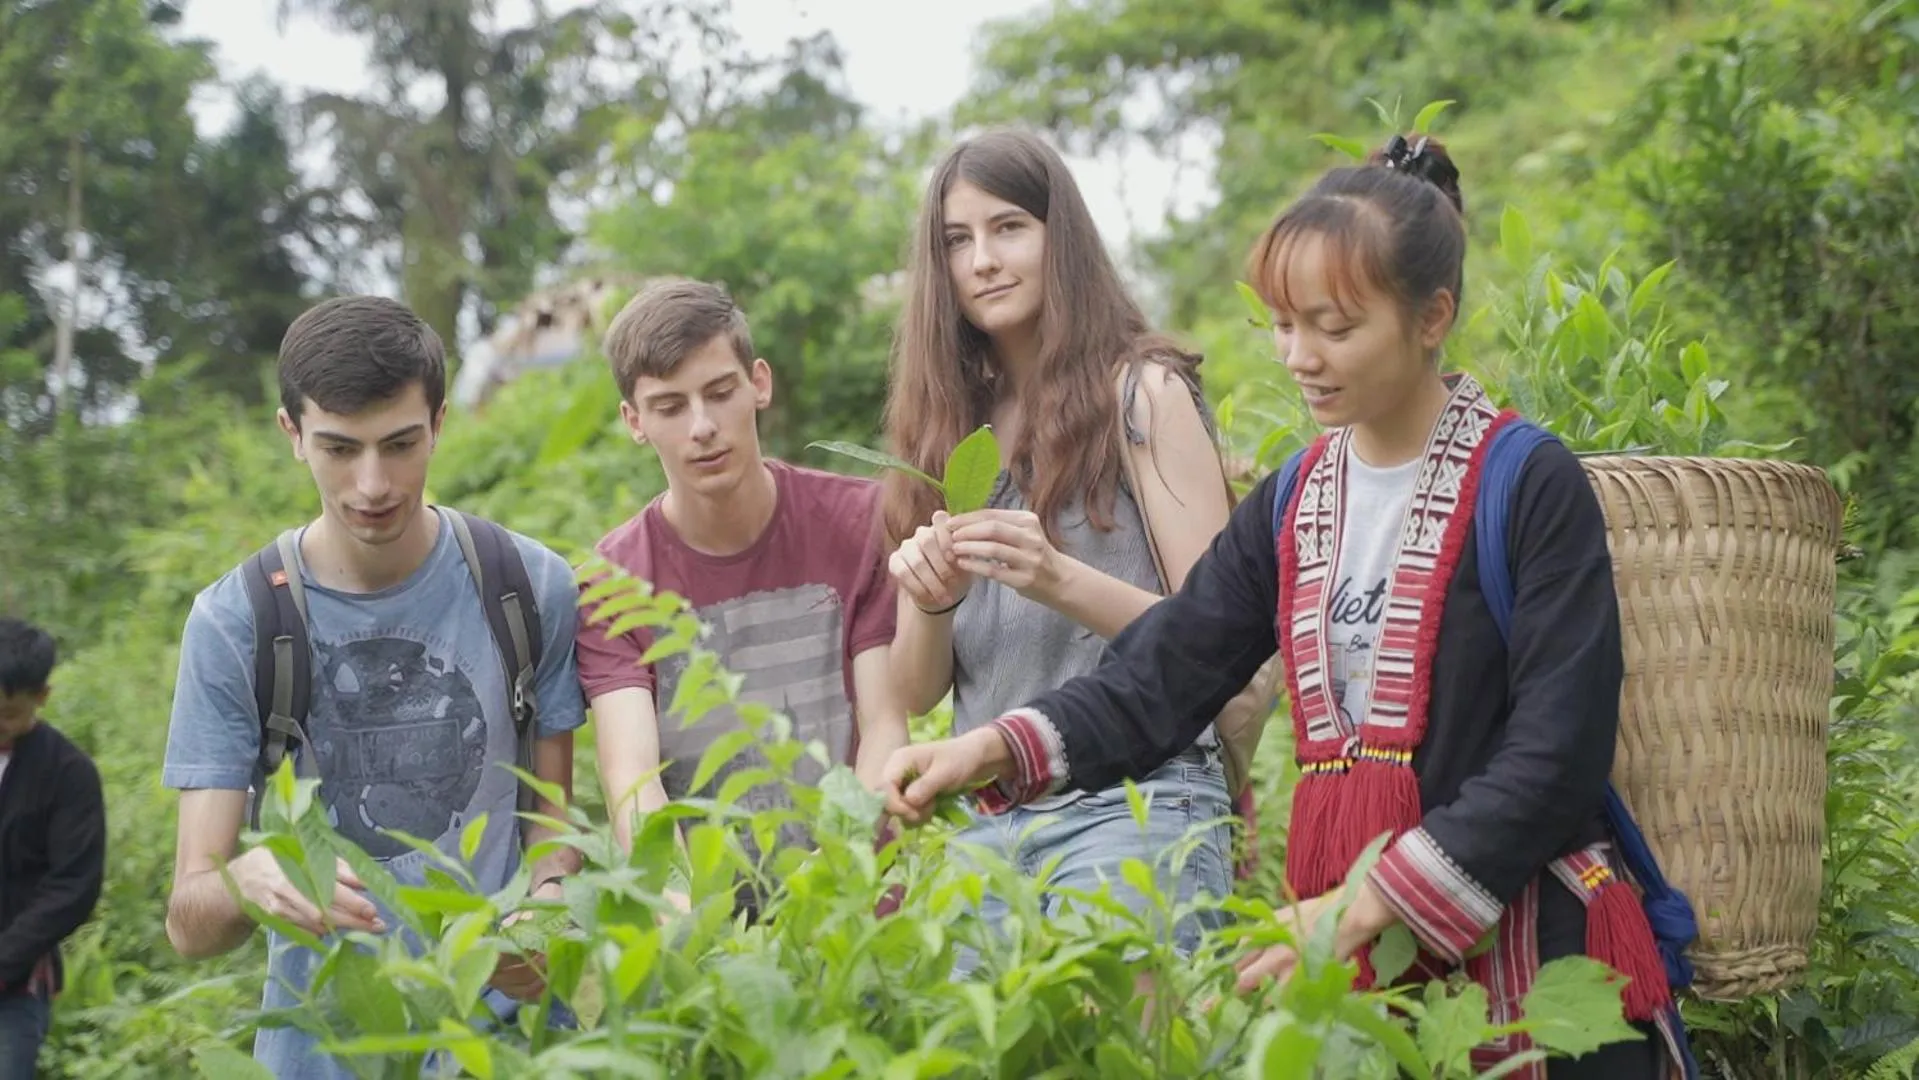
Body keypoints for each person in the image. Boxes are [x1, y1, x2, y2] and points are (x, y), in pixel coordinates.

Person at [879, 136, 1682, 1077]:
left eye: (1334, 327)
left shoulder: (1526, 482)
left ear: (1432, 318)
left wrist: (1359, 904)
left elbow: (1557, 751)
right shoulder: (1297, 497)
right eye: (1281, 325)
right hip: (1353, 954)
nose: (1299, 358)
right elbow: (1168, 672)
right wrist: (987, 748)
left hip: (1528, 954)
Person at [161, 296, 590, 1078]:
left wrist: (550, 908)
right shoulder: (236, 624)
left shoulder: (527, 587)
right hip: (323, 1050)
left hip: (507, 1047)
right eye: (338, 447)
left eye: (400, 445)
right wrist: (245, 882)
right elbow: (190, 925)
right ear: (291, 434)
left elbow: (550, 837)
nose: (372, 484)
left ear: (441, 423)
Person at [879, 128, 1241, 969]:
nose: (983, 261)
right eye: (956, 242)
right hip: (985, 828)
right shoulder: (944, 430)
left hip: (1136, 800)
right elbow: (919, 686)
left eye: (1009, 228)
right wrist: (931, 602)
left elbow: (1220, 637)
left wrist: (1057, 577)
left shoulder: (1141, 392)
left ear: (1060, 237)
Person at [574, 278, 908, 914]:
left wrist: (840, 865)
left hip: (860, 912)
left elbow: (887, 720)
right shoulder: (610, 583)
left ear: (758, 382)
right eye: (669, 407)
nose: (702, 427)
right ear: (634, 422)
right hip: (709, 930)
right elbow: (631, 775)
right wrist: (680, 903)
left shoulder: (860, 522)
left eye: (719, 393)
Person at [0, 618, 106, 1079]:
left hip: (14, 984)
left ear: (41, 696)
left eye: (7, 714)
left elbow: (73, 886)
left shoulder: (68, 773)